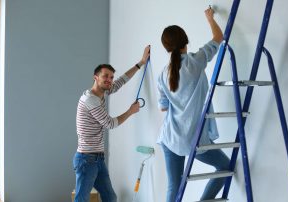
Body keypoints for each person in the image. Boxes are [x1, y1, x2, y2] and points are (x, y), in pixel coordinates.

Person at [157, 8, 230, 201]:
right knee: (225, 167)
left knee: (174, 186)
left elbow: (163, 107)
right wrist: (209, 18)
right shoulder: (196, 62)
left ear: (166, 47)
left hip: (170, 138)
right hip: (193, 139)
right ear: (185, 41)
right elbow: (219, 36)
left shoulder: (163, 74)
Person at [73, 45, 150, 202]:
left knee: (110, 198)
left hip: (97, 159)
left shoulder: (103, 92)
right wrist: (130, 111)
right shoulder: (90, 99)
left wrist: (141, 62)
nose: (109, 80)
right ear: (96, 77)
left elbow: (122, 81)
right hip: (86, 160)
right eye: (105, 76)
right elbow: (110, 124)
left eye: (111, 77)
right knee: (81, 199)